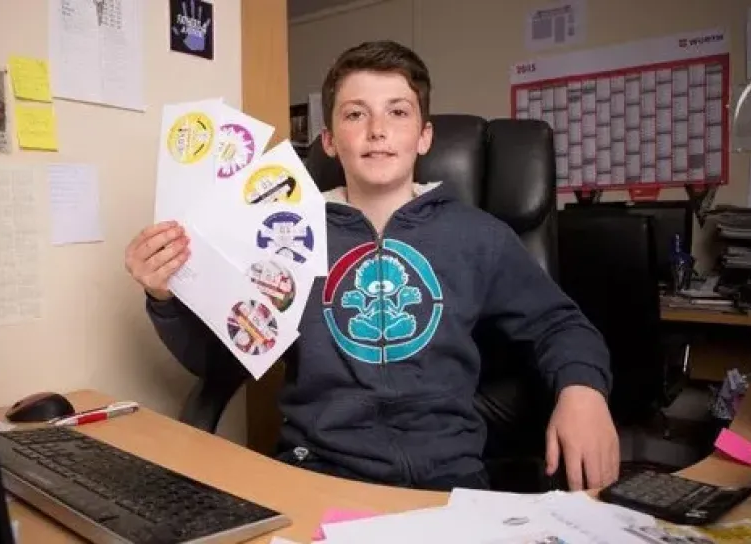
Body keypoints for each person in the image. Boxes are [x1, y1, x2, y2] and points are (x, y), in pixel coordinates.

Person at [125, 40, 619, 492]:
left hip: (449, 481)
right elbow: (223, 360)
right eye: (355, 114)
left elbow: (559, 323)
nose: (377, 130)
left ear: (424, 136)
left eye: (397, 112)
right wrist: (165, 298)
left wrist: (583, 390)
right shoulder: (282, 234)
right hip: (316, 471)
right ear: (329, 140)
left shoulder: (477, 235)